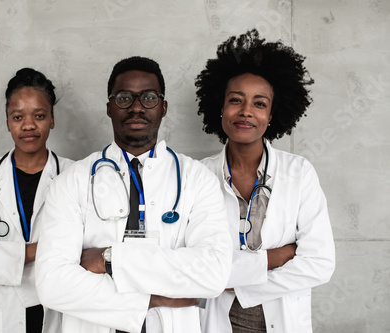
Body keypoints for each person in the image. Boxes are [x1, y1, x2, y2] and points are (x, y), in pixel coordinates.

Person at [35, 56, 233, 333]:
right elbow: (52, 284)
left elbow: (213, 274)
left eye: (149, 97)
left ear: (163, 107)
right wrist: (153, 299)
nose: (137, 107)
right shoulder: (72, 181)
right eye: (124, 97)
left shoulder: (197, 180)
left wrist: (109, 259)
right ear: (109, 107)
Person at [195, 30, 336, 332]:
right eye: (235, 100)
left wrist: (239, 284)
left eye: (259, 104)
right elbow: (192, 266)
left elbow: (320, 263)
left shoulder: (299, 173)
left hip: (282, 319)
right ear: (220, 108)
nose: (246, 111)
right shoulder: (197, 176)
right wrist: (276, 257)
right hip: (213, 321)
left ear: (271, 114)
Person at [0, 68, 74, 333]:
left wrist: (0, 253)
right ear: (7, 122)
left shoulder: (74, 176)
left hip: (57, 313)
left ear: (52, 119)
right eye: (17, 116)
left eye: (39, 116)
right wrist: (43, 251)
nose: (28, 125)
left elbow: (88, 254)